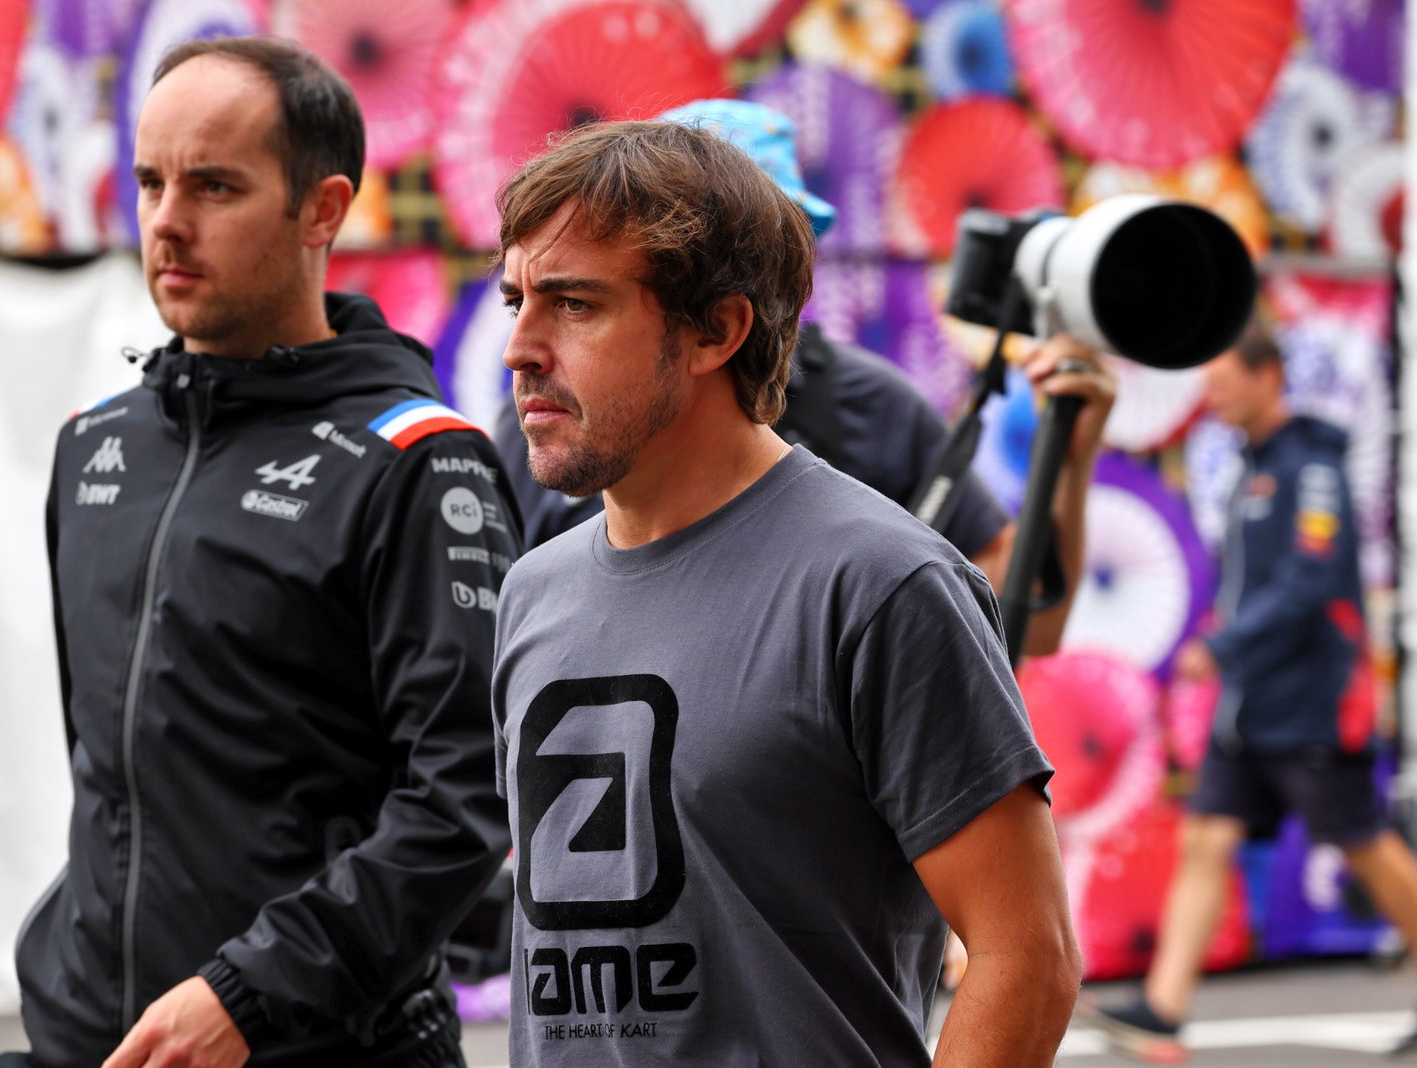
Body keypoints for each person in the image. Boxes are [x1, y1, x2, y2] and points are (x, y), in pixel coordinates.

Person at [489, 118, 1082, 1065]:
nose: (519, 346)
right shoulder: (530, 595)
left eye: (574, 304)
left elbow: (1029, 955)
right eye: (516, 298)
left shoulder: (883, 583)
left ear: (717, 330)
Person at [0, 37, 517, 1068]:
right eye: (150, 181)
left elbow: (468, 802)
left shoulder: (420, 464)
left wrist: (250, 994)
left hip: (317, 1045)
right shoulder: (93, 445)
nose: (167, 222)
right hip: (96, 1040)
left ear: (323, 210)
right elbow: (114, 773)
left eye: (214, 186)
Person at [493, 97, 1118, 658]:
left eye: (779, 238)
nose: (756, 267)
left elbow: (1027, 621)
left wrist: (1068, 451)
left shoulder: (871, 405)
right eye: (717, 243)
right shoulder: (547, 423)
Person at [1079, 324, 1417, 1064]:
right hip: (1250, 705)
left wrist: (1222, 644)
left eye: (1227, 380)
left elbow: (1311, 577)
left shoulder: (1311, 467)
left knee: (1363, 845)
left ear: (1270, 377)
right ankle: (1164, 1013)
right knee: (1208, 836)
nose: (1215, 394)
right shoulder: (1248, 465)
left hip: (1312, 701)